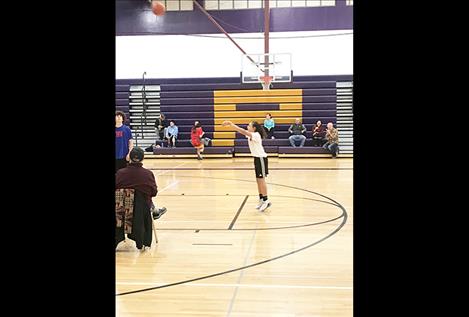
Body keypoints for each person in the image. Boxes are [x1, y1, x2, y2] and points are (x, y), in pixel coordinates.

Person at [222, 120, 271, 212]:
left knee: (262, 180)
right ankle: (261, 199)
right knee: (258, 180)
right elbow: (242, 131)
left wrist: (232, 124)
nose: (247, 127)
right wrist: (232, 126)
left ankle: (266, 200)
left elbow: (243, 131)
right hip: (256, 158)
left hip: (261, 159)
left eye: (249, 125)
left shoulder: (256, 135)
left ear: (254, 128)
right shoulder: (251, 135)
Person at [116, 147, 167, 221]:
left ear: (130, 157)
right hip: (141, 213)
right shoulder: (148, 174)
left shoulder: (120, 173)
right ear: (143, 158)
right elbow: (154, 192)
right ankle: (155, 210)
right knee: (144, 195)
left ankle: (155, 210)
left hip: (121, 213)